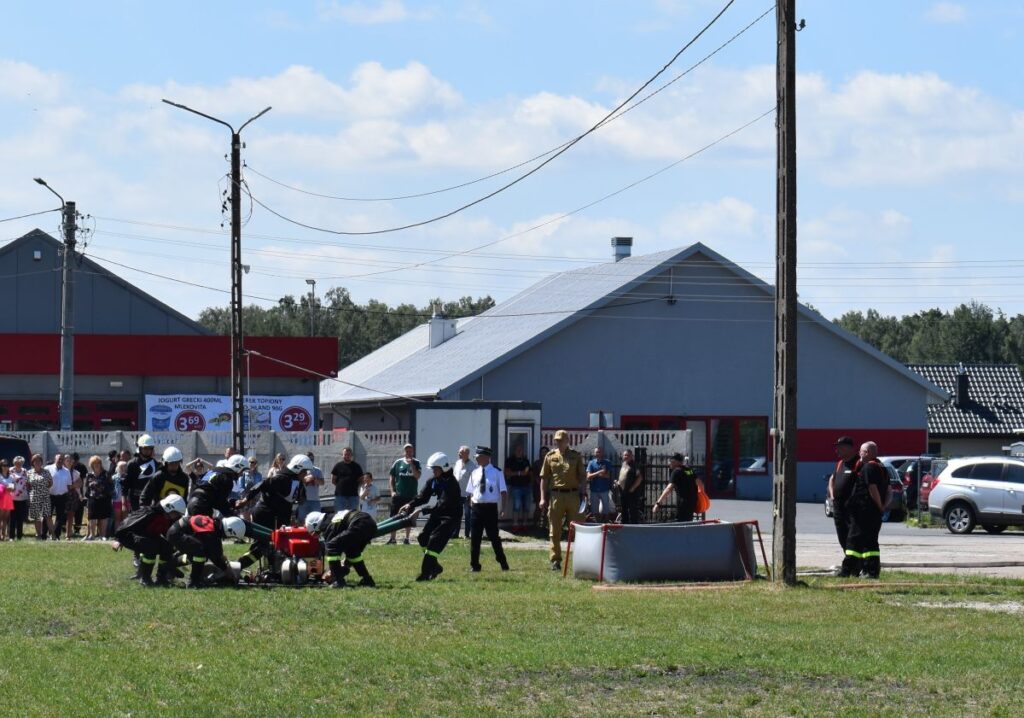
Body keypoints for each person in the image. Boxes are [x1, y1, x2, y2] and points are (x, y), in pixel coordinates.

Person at [236, 454, 312, 571]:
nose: (306, 474)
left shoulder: (297, 480)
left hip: (279, 515)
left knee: (281, 543)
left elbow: (298, 499)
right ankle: (238, 566)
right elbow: (260, 485)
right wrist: (245, 501)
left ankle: (275, 569)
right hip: (264, 514)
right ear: (298, 468)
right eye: (305, 471)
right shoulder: (281, 478)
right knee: (262, 546)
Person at [399, 452, 463, 581]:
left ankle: (425, 574)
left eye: (435, 469)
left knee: (434, 540)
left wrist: (421, 511)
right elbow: (423, 496)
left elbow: (443, 504)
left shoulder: (452, 484)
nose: (433, 471)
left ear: (443, 468)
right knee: (423, 538)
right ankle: (435, 566)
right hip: (438, 513)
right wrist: (410, 505)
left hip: (450, 517)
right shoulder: (434, 480)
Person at [112, 494, 186, 587]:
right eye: (176, 513)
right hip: (130, 537)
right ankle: (145, 579)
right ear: (169, 508)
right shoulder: (148, 512)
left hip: (148, 538)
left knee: (167, 547)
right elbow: (127, 523)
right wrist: (118, 540)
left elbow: (168, 535)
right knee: (151, 546)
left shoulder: (167, 518)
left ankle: (162, 578)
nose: (176, 516)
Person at [539, 430, 586, 571]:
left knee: (578, 529)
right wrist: (542, 498)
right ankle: (555, 560)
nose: (558, 442)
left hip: (573, 495)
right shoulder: (550, 456)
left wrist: (583, 493)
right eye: (556, 440)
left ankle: (581, 559)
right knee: (554, 530)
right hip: (556, 496)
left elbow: (583, 476)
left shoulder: (576, 456)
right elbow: (544, 478)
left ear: (567, 441)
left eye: (561, 440)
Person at [842, 441, 888, 579]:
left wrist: (879, 505)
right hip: (874, 513)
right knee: (870, 542)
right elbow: (890, 490)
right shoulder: (882, 468)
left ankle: (848, 570)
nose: (859, 454)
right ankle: (871, 571)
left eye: (861, 451)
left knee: (853, 540)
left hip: (864, 511)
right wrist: (883, 507)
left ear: (867, 453)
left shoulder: (868, 468)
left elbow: (872, 488)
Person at [167, 513, 246, 589]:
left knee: (198, 552)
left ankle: (170, 565)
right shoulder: (212, 532)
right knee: (200, 554)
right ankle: (193, 582)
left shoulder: (215, 524)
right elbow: (215, 557)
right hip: (176, 534)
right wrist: (227, 570)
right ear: (230, 531)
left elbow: (216, 552)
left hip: (176, 531)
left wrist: (224, 562)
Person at [465, 446, 509, 573]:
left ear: (486, 457)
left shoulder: (496, 472)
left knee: (494, 537)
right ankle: (474, 565)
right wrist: (471, 504)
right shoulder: (474, 472)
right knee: (475, 538)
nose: (477, 459)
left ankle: (503, 562)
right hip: (477, 508)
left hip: (490, 508)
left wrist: (503, 508)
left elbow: (503, 492)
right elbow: (470, 492)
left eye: (478, 457)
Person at [827, 436, 859, 572]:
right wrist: (832, 495)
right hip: (838, 507)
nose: (837, 450)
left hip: (852, 508)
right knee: (842, 536)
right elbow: (832, 479)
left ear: (849, 448)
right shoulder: (840, 463)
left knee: (853, 537)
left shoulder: (858, 463)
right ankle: (850, 562)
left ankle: (855, 565)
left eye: (840, 447)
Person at [188, 454, 245, 519]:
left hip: (192, 503)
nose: (242, 474)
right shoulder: (227, 479)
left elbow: (214, 497)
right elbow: (221, 503)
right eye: (242, 471)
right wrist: (232, 515)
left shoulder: (215, 470)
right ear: (238, 467)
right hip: (201, 506)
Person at [387, 443, 421, 545]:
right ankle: (393, 539)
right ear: (404, 452)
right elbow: (392, 477)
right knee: (394, 516)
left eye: (410, 450)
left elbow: (417, 476)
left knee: (408, 517)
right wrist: (392, 491)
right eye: (407, 450)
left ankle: (407, 539)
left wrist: (411, 465)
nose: (408, 452)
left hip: (411, 496)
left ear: (413, 451)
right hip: (398, 495)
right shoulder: (398, 462)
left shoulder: (417, 462)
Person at [653, 453, 702, 522]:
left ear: (676, 462)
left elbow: (669, 489)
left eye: (671, 461)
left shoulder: (676, 471)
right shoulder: (689, 470)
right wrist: (700, 495)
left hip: (683, 503)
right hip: (692, 502)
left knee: (681, 523)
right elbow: (700, 483)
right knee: (688, 523)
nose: (669, 463)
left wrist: (658, 503)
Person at [123, 434, 159, 513]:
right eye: (145, 448)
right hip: (135, 501)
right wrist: (124, 503)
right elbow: (125, 485)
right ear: (140, 448)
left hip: (151, 501)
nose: (147, 450)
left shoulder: (157, 465)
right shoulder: (132, 464)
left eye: (150, 448)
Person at [84, 455, 113, 541]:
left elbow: (111, 485)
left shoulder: (106, 474)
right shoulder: (89, 475)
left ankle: (102, 535)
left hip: (104, 498)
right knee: (92, 518)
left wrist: (108, 494)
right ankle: (92, 535)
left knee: (103, 517)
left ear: (101, 464)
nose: (96, 465)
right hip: (92, 499)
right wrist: (87, 496)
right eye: (94, 463)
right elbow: (87, 487)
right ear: (91, 465)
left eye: (98, 463)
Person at [505, 444, 533, 532]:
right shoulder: (510, 460)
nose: (519, 451)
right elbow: (507, 473)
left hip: (527, 486)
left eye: (521, 450)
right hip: (516, 487)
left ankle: (524, 524)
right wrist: (520, 473)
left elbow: (529, 472)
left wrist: (531, 483)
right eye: (518, 450)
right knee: (516, 506)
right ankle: (515, 524)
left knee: (527, 506)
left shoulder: (526, 460)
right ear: (514, 451)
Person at [27, 454, 53, 540]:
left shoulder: (46, 472)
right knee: (37, 517)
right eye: (35, 461)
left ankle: (52, 535)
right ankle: (38, 535)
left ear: (41, 462)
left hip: (45, 496)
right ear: (33, 462)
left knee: (48, 516)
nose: (37, 462)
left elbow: (50, 483)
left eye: (39, 461)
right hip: (34, 497)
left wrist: (43, 490)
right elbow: (27, 485)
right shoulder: (29, 472)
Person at [452, 445, 475, 539]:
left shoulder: (472, 466)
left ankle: (467, 534)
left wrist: (472, 495)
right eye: (459, 452)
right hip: (457, 494)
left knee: (468, 515)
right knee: (457, 514)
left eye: (461, 452)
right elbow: (454, 476)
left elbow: (474, 482)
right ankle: (455, 533)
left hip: (467, 495)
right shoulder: (457, 463)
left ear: (467, 454)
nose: (459, 454)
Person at [586, 446, 615, 522]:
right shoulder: (591, 463)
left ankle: (605, 524)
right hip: (594, 490)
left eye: (599, 452)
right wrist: (599, 472)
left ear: (602, 453)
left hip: (604, 490)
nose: (598, 453)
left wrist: (594, 475)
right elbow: (588, 476)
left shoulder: (607, 462)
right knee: (595, 510)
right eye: (596, 452)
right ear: (594, 453)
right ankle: (598, 524)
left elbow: (607, 476)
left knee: (606, 510)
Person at [330, 447, 363, 512]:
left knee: (353, 515)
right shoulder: (338, 466)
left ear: (351, 455)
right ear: (342, 455)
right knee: (339, 516)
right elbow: (333, 480)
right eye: (345, 454)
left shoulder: (357, 466)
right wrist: (341, 486)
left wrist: (355, 486)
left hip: (353, 496)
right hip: (340, 496)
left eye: (348, 454)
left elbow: (361, 480)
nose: (347, 456)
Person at [617, 449, 645, 524]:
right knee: (624, 510)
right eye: (625, 455)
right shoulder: (623, 464)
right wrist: (618, 482)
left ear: (632, 456)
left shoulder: (635, 465)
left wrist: (633, 488)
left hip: (632, 493)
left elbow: (640, 478)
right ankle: (624, 525)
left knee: (633, 510)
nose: (626, 456)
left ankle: (634, 526)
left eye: (628, 455)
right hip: (623, 492)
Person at [297, 451, 324, 523]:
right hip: (303, 500)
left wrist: (314, 478)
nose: (311, 461)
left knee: (317, 520)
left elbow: (322, 483)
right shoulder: (300, 470)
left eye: (312, 459)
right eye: (309, 459)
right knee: (302, 520)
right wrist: (304, 479)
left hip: (315, 500)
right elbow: (297, 482)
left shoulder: (317, 470)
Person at [9, 456, 31, 540]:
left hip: (23, 498)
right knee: (12, 518)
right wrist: (12, 489)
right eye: (17, 463)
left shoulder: (25, 471)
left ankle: (19, 536)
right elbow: (9, 481)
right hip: (12, 497)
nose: (19, 464)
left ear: (22, 463)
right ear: (14, 463)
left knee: (20, 518)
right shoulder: (10, 470)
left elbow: (28, 482)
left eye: (20, 463)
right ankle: (11, 536)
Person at [531, 446, 549, 534]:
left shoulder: (551, 463)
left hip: (549, 489)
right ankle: (535, 525)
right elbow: (533, 476)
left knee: (547, 508)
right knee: (538, 508)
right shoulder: (536, 463)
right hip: (538, 489)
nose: (544, 453)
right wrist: (540, 484)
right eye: (542, 452)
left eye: (546, 452)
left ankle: (545, 526)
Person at [70, 452, 88, 535]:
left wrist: (82, 493)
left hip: (78, 492)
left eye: (76, 461)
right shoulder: (67, 467)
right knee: (67, 511)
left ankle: (77, 529)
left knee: (79, 511)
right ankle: (65, 528)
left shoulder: (81, 467)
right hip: (68, 491)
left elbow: (84, 481)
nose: (74, 462)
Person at [109, 460, 128, 538]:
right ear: (118, 468)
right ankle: (117, 534)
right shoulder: (114, 477)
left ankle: (125, 534)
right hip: (116, 499)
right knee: (117, 518)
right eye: (121, 467)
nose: (123, 468)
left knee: (125, 518)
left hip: (127, 500)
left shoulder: (128, 477)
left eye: (125, 466)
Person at [0, 460, 12, 540]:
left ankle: (3, 535)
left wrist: (12, 488)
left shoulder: (11, 477)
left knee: (5, 518)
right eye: (3, 465)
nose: (5, 467)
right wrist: (5, 488)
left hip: (8, 498)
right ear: (0, 466)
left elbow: (13, 487)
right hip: (1, 498)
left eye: (7, 465)